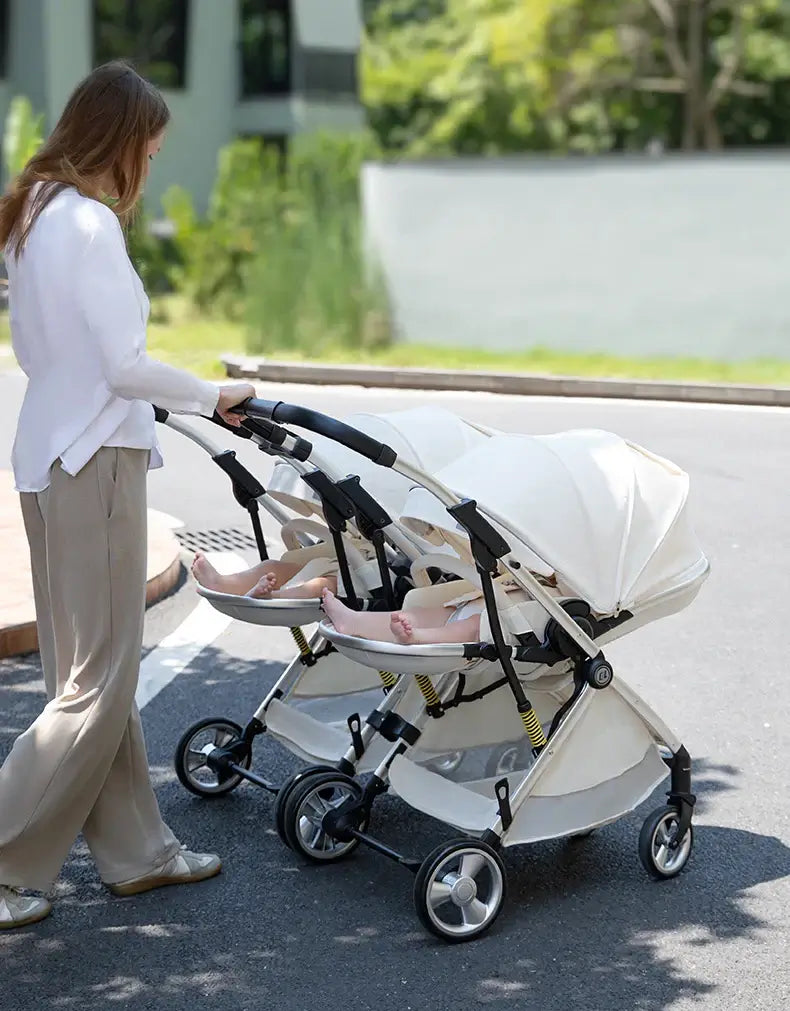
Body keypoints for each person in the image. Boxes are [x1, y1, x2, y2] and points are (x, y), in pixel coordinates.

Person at [0, 62, 256, 930]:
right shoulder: (92, 225)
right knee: (97, 685)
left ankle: (138, 852)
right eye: (150, 142)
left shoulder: (32, 216)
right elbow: (123, 367)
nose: (154, 156)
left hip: (46, 454)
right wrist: (210, 393)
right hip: (95, 463)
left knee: (87, 677)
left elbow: (50, 356)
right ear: (122, 138)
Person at [320, 588, 483, 646]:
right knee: (424, 614)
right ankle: (354, 621)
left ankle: (416, 636)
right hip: (480, 600)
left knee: (472, 626)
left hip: (491, 622)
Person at [192, 552, 338, 600]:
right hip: (336, 560)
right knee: (272, 567)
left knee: (322, 586)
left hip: (351, 577)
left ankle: (275, 596)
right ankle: (220, 583)